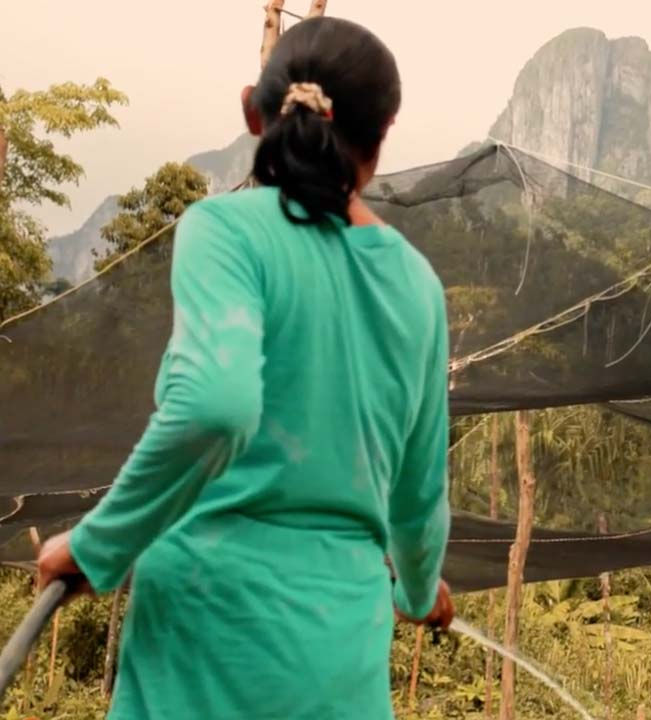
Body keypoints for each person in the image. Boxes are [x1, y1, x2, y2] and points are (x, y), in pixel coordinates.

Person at [35, 16, 453, 719]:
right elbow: (418, 502)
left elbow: (213, 407)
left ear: (252, 112)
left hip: (200, 645)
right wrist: (415, 595)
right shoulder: (416, 285)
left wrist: (99, 546)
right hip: (338, 659)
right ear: (382, 138)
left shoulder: (223, 231)